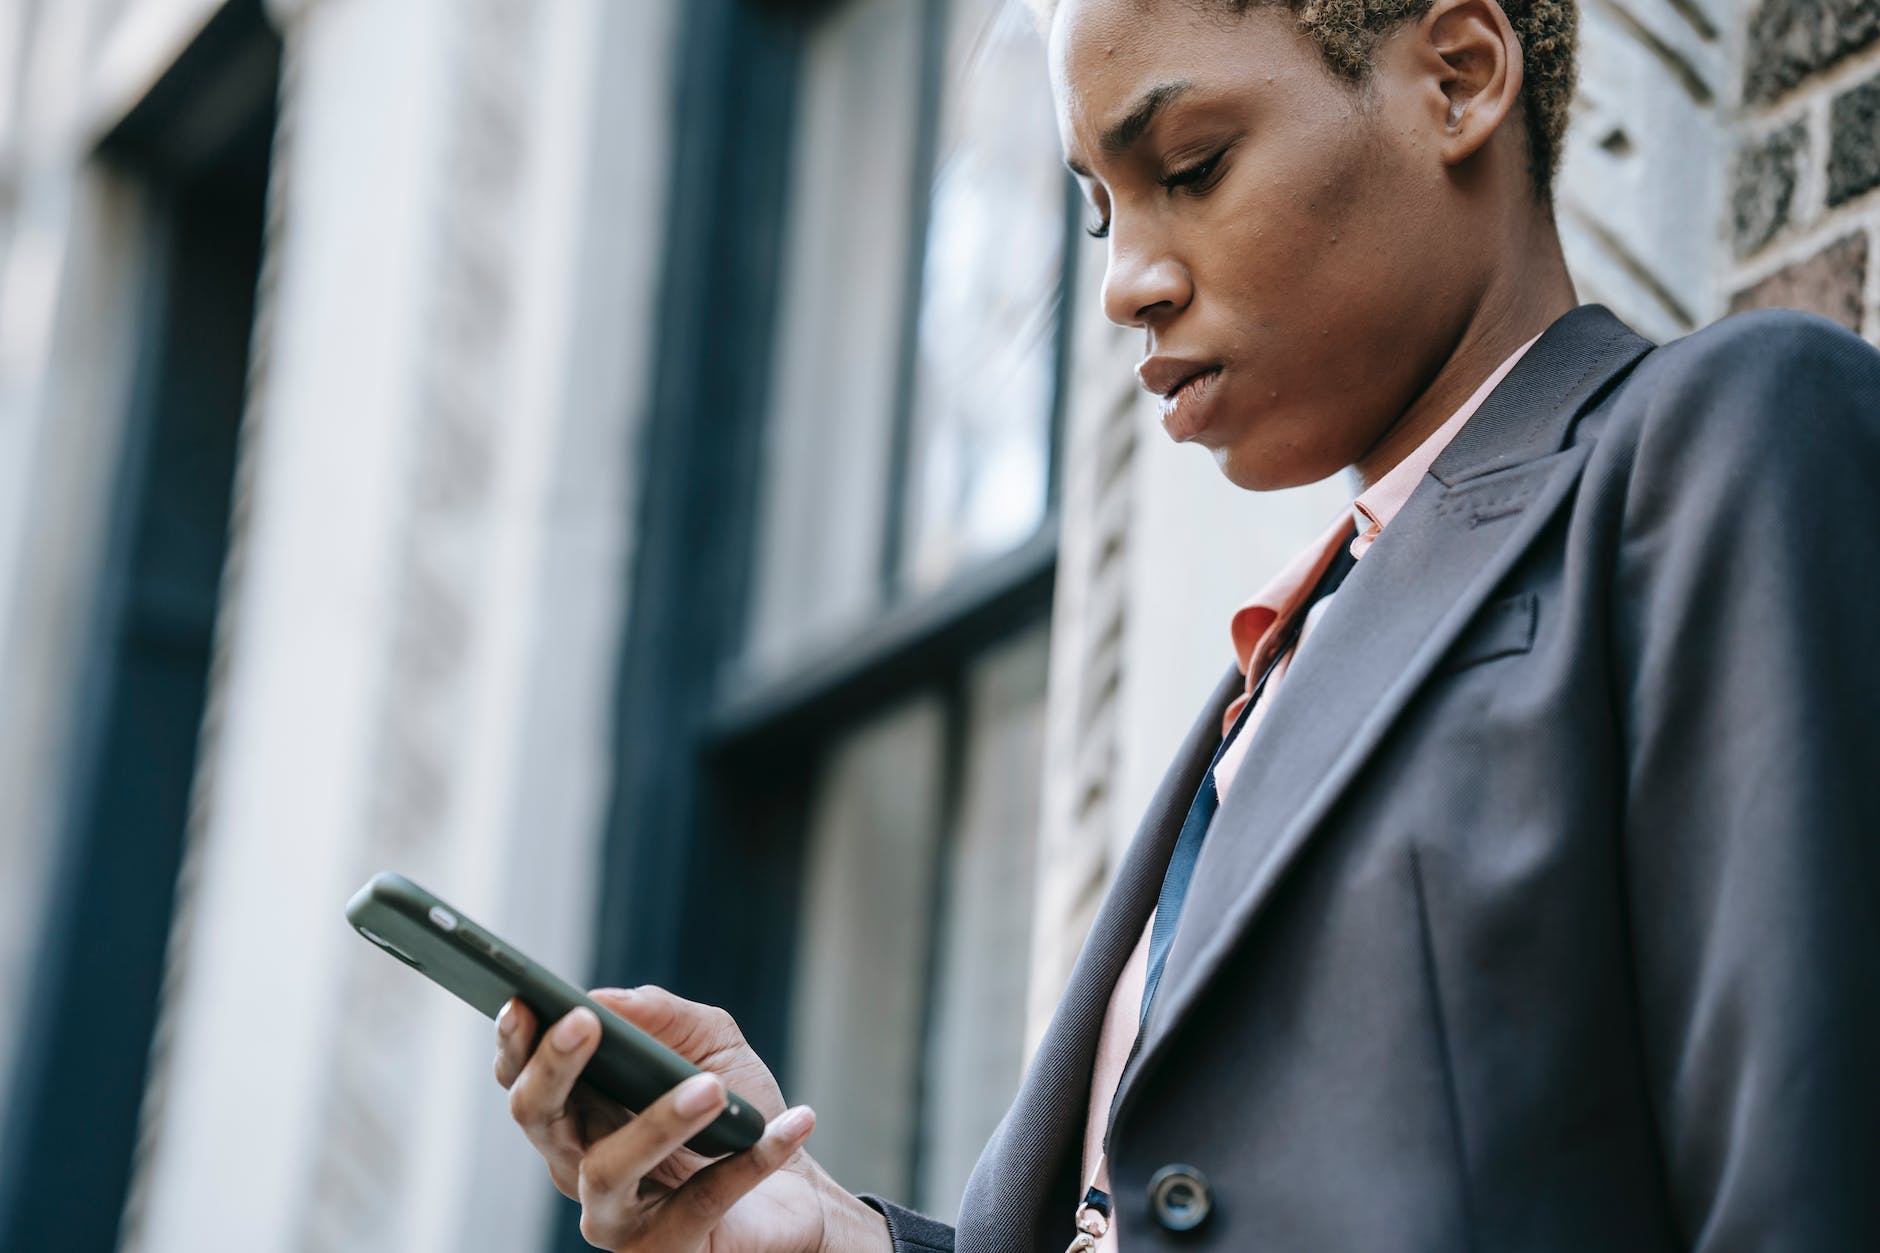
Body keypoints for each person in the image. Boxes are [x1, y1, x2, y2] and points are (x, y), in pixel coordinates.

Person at [492, 0, 1880, 1247]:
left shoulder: (1718, 446)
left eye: (1192, 168)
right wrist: (819, 1229)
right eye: (1103, 209)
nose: (1125, 282)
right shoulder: (1276, 666)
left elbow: (1806, 1179)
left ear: (1457, 79)